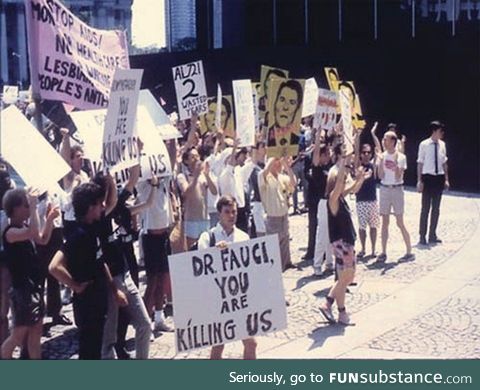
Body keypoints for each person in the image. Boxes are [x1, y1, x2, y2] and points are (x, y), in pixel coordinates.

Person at [49, 183, 128, 359]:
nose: (103, 207)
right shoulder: (78, 234)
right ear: (90, 207)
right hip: (87, 303)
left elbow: (100, 261)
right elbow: (54, 266)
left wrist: (114, 290)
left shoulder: (93, 228)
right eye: (99, 204)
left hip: (99, 300)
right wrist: (75, 286)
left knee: (95, 349)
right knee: (89, 352)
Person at [1, 188, 59, 359]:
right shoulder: (10, 232)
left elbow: (42, 239)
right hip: (23, 291)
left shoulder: (25, 226)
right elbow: (33, 233)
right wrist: (34, 207)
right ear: (15, 208)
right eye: (25, 206)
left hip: (34, 288)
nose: (28, 208)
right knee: (17, 336)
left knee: (35, 336)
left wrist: (49, 220)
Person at [197, 196, 256, 359]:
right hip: (218, 300)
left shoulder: (243, 237)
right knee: (219, 345)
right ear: (219, 213)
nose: (232, 216)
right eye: (227, 212)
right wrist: (214, 253)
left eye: (234, 212)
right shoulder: (208, 237)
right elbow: (200, 265)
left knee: (251, 343)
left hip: (238, 298)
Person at [319, 157, 370, 325]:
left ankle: (342, 313)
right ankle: (327, 302)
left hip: (346, 242)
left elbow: (353, 188)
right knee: (346, 278)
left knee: (343, 279)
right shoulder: (333, 199)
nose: (345, 181)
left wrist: (360, 178)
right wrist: (342, 166)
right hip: (343, 244)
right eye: (342, 180)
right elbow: (342, 183)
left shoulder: (340, 197)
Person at [377, 131, 414, 262]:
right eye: (383, 139)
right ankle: (383, 252)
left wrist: (396, 163)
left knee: (399, 222)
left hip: (397, 189)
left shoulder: (402, 157)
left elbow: (399, 175)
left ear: (393, 141)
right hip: (385, 189)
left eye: (386, 139)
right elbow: (380, 175)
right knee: (384, 223)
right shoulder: (382, 156)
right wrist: (381, 162)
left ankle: (409, 251)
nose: (384, 141)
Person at [259, 157, 296, 271]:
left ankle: (284, 266)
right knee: (273, 247)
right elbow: (263, 173)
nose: (278, 164)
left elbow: (293, 183)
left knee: (285, 243)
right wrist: (273, 158)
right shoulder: (264, 177)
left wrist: (286, 165)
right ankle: (274, 269)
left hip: (283, 216)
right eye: (276, 163)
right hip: (272, 218)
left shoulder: (282, 178)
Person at [177, 146, 218, 249]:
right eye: (192, 157)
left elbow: (214, 191)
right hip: (191, 220)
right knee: (193, 250)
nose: (196, 159)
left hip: (204, 219)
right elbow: (187, 193)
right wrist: (195, 177)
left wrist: (207, 175)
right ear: (186, 161)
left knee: (206, 248)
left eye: (197, 156)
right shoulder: (182, 176)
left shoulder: (203, 176)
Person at [417, 121, 449, 245]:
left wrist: (446, 179)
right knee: (425, 208)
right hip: (428, 178)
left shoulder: (442, 145)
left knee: (436, 208)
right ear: (434, 131)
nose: (442, 133)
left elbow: (444, 162)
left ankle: (432, 234)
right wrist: (419, 180)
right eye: (440, 131)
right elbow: (420, 162)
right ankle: (422, 235)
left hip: (438, 178)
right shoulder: (424, 144)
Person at [353, 129, 379, 258]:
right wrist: (357, 136)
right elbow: (355, 150)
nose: (367, 155)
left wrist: (373, 135)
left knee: (374, 226)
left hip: (373, 200)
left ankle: (374, 249)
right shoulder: (358, 165)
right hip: (361, 200)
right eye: (364, 152)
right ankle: (363, 248)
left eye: (369, 152)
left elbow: (378, 150)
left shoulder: (373, 165)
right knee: (362, 227)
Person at [266, 79, 303, 150]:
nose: (285, 107)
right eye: (282, 99)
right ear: (275, 102)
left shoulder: (297, 141)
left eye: (292, 102)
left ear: (297, 108)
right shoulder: (265, 138)